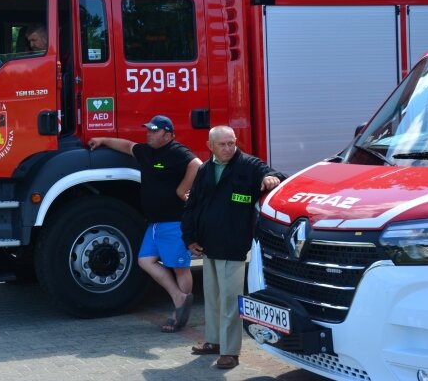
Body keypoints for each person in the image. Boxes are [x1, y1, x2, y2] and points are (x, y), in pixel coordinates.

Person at [181, 125, 284, 370]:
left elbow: (273, 173)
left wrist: (272, 178)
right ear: (210, 146)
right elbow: (192, 206)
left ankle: (230, 352)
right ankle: (214, 342)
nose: (228, 148)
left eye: (231, 143)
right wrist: (190, 238)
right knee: (213, 299)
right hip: (208, 245)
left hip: (233, 245)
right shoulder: (206, 169)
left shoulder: (248, 165)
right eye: (222, 144)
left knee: (229, 300)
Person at [89, 115, 202, 332]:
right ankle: (180, 298)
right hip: (155, 223)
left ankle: (179, 312)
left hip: (174, 222)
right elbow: (127, 146)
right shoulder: (146, 152)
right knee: (144, 261)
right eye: (148, 129)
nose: (148, 133)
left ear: (167, 135)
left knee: (180, 268)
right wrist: (103, 139)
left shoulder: (177, 151)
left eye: (154, 130)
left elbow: (196, 164)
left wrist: (181, 190)